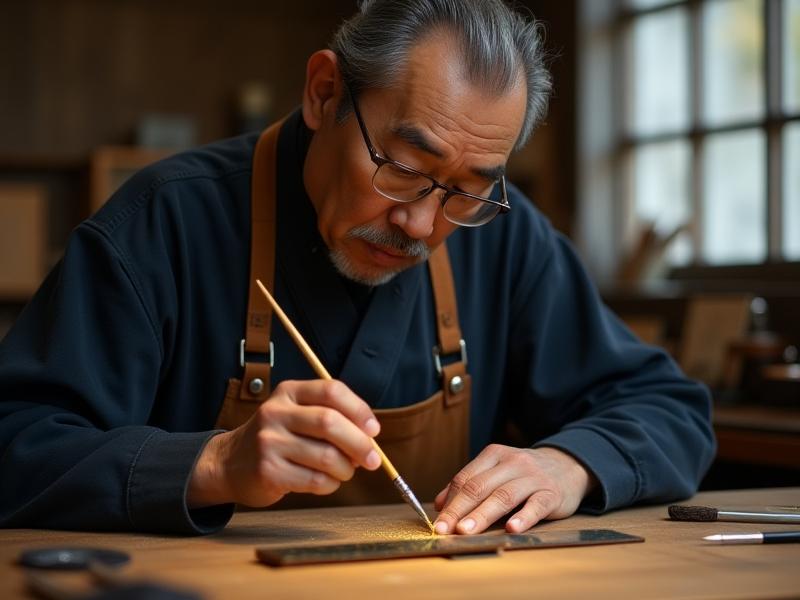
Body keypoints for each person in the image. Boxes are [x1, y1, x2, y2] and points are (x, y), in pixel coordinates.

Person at [0, 0, 715, 536]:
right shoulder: (163, 224)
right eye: (402, 168)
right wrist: (212, 466)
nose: (421, 224)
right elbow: (17, 443)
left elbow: (669, 410)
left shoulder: (501, 235)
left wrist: (571, 464)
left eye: (465, 191)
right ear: (324, 93)